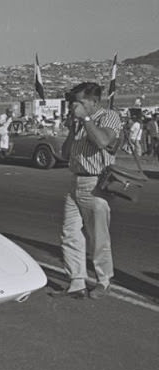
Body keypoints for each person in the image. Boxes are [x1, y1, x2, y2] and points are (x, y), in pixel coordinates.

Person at [58, 82, 122, 299]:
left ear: (94, 102)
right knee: (70, 233)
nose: (75, 106)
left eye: (80, 102)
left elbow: (103, 140)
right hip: (75, 181)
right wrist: (71, 130)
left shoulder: (109, 117)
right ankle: (76, 281)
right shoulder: (78, 123)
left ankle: (104, 280)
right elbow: (66, 153)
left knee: (98, 236)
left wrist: (85, 119)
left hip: (96, 183)